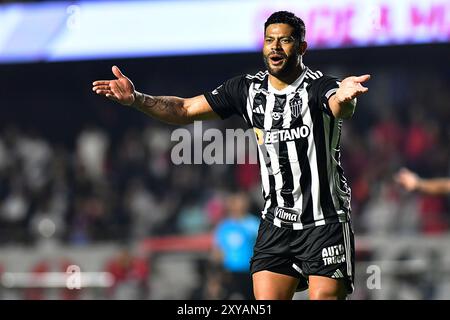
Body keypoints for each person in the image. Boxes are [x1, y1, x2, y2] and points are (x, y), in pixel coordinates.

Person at [92, 11, 370, 300]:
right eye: (269, 40)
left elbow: (339, 106)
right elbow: (185, 109)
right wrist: (137, 99)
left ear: (301, 48)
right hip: (276, 223)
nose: (275, 47)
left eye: (285, 40)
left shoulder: (318, 86)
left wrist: (345, 95)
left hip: (324, 222)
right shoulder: (246, 89)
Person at [211, 191, 259, 299]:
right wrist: (217, 276)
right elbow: (218, 252)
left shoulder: (254, 223)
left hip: (250, 273)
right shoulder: (224, 226)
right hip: (229, 274)